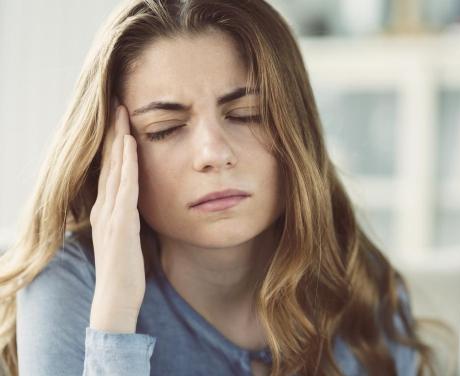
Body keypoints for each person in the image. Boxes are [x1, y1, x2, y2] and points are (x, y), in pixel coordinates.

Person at [0, 0, 435, 375]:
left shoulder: (360, 284)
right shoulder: (70, 282)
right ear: (110, 154)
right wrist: (114, 318)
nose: (214, 152)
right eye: (166, 128)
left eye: (247, 114)